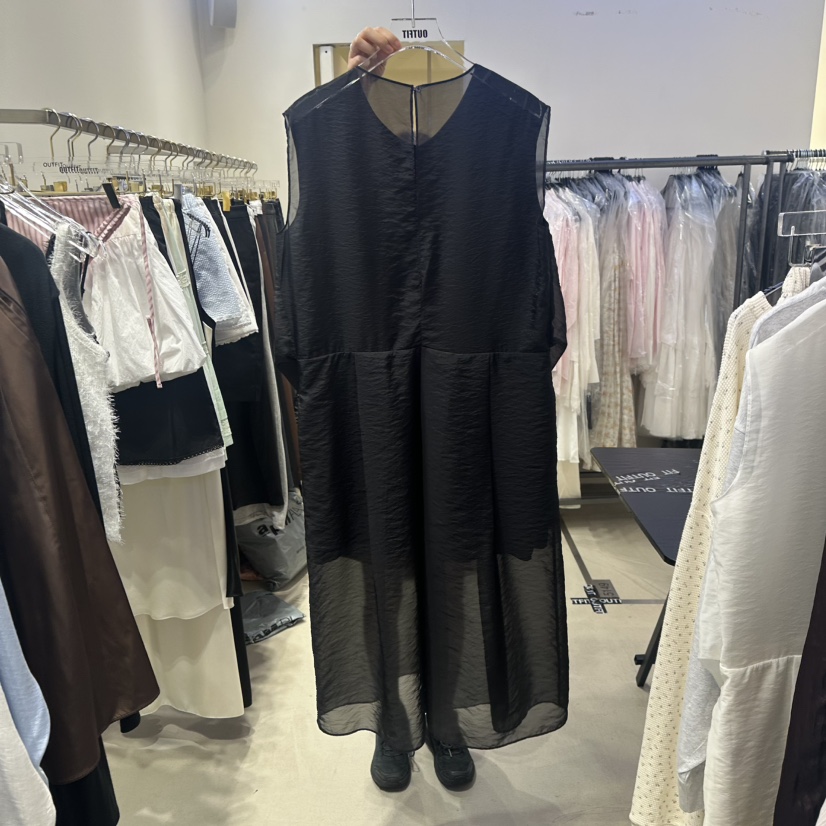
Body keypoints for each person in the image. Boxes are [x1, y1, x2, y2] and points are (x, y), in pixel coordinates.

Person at [331, 25, 478, 794]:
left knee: (450, 568)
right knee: (381, 567)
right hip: (371, 397)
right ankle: (392, 721)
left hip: (457, 397)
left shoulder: (481, 149)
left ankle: (445, 721)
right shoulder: (337, 154)